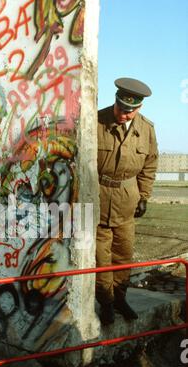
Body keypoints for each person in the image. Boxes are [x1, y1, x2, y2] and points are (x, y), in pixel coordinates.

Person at [96, 77, 159, 325]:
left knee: (123, 255)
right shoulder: (96, 121)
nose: (123, 114)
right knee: (101, 259)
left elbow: (150, 165)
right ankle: (107, 303)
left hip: (127, 200)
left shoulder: (147, 129)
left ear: (139, 108)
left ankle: (121, 298)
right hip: (97, 198)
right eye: (120, 108)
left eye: (129, 111)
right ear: (115, 101)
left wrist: (144, 196)